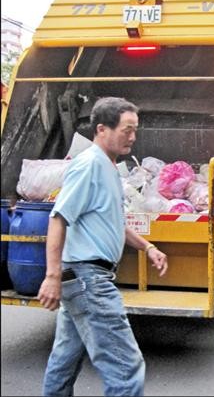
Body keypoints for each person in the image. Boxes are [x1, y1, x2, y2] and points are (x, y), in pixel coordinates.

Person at [37, 96, 168, 396]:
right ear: (101, 129)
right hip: (88, 281)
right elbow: (58, 218)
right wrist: (52, 276)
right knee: (126, 367)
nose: (133, 137)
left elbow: (114, 224)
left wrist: (148, 247)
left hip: (83, 280)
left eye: (135, 129)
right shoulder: (89, 165)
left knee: (64, 362)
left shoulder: (108, 167)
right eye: (127, 129)